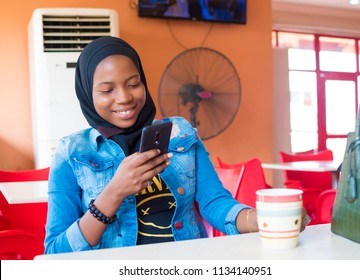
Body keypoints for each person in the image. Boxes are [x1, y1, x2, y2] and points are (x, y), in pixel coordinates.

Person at [43, 36, 290, 254]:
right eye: (107, 90)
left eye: (133, 84)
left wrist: (262, 220)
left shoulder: (179, 132)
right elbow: (55, 252)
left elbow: (214, 203)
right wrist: (114, 192)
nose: (124, 97)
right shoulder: (71, 154)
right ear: (87, 94)